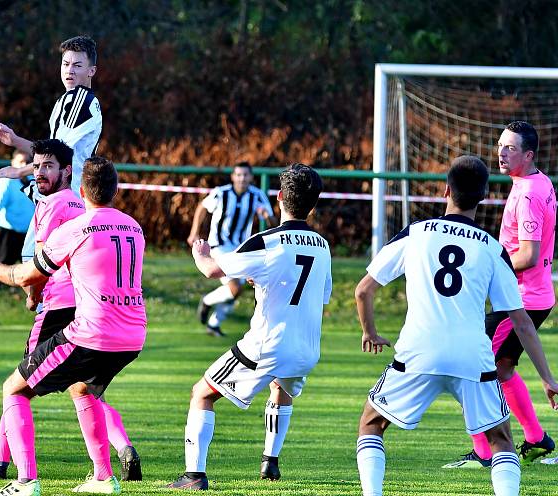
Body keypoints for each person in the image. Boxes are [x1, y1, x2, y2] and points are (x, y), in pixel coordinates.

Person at [354, 155, 558, 496]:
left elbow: (363, 291)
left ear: (445, 190)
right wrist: (548, 378)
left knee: (371, 424)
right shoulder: (493, 249)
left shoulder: (416, 234)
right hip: (472, 358)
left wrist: (369, 332)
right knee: (501, 439)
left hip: (418, 353)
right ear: (483, 198)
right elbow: (521, 321)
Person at [0, 156, 146, 496]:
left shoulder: (76, 227)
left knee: (15, 388)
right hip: (133, 335)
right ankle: (102, 477)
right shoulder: (134, 227)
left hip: (92, 332)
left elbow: (26, 275)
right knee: (83, 389)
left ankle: (25, 482)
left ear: (82, 191)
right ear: (116, 191)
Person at [168, 163, 331, 490]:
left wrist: (199, 254)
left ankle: (193, 476)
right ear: (313, 206)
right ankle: (270, 462)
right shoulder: (322, 247)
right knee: (280, 388)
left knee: (202, 394)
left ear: (280, 197)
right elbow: (318, 294)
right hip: (307, 349)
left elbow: (214, 271)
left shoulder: (267, 241)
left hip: (266, 345)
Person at [443, 122, 558, 469]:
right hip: (533, 293)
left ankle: (484, 451)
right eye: (500, 146)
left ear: (529, 154)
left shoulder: (527, 194)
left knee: (470, 365)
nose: (502, 153)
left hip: (521, 298)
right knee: (502, 367)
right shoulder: (537, 182)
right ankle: (538, 440)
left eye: (511, 148)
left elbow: (528, 255)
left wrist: (488, 265)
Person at [0, 35, 102, 265]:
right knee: (39, 264)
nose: (69, 70)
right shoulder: (65, 101)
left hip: (67, 196)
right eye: (65, 64)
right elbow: (52, 154)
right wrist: (16, 140)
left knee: (37, 264)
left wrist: (20, 171)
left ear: (91, 71)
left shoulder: (79, 100)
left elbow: (56, 157)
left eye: (77, 65)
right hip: (62, 195)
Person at [187, 162, 276, 337]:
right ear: (233, 177)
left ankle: (213, 324)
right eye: (238, 175)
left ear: (251, 178)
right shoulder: (221, 193)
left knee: (235, 292)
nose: (242, 178)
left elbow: (274, 222)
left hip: (241, 250)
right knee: (235, 288)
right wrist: (194, 232)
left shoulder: (257, 195)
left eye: (245, 175)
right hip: (219, 247)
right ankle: (206, 301)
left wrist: (267, 216)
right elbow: (202, 208)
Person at [0, 150, 36, 328]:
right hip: (8, 234)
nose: (23, 165)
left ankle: (41, 310)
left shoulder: (35, 182)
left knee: (36, 274)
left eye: (26, 162)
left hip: (29, 235)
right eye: (19, 161)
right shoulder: (7, 183)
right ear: (12, 162)